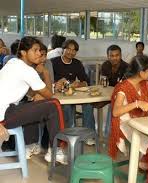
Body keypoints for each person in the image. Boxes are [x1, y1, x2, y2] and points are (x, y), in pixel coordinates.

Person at [0, 36, 66, 164]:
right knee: (54, 105)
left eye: (40, 51)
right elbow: (49, 95)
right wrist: (45, 72)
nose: (39, 53)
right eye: (35, 50)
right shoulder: (27, 70)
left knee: (38, 103)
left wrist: (36, 94)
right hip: (4, 114)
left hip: (7, 110)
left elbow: (30, 92)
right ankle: (55, 149)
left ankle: (34, 145)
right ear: (24, 53)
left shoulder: (13, 63)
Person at [109, 55, 148, 183]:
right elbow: (116, 112)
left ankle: (145, 160)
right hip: (125, 124)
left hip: (139, 121)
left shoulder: (144, 84)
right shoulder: (123, 88)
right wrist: (136, 104)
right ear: (141, 72)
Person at [51, 39, 96, 145]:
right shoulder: (54, 62)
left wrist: (79, 84)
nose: (71, 52)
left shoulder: (77, 63)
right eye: (68, 49)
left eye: (74, 50)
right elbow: (50, 81)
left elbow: (86, 81)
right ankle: (68, 135)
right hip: (58, 95)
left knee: (88, 104)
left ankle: (88, 135)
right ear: (63, 49)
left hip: (73, 93)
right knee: (67, 107)